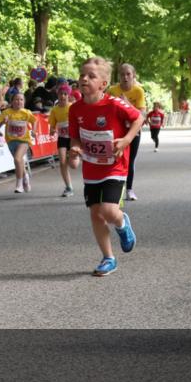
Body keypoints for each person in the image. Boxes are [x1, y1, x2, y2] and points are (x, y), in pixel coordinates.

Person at [66, 57, 143, 277]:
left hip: (115, 166)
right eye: (82, 74)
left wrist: (127, 140)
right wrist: (75, 151)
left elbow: (138, 118)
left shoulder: (114, 104)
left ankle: (122, 223)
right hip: (91, 169)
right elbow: (75, 138)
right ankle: (108, 258)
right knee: (95, 214)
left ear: (103, 83)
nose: (84, 78)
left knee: (108, 210)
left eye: (91, 76)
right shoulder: (75, 110)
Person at [106, 63, 147, 201]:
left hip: (133, 130)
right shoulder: (112, 90)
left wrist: (127, 104)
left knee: (129, 161)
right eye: (122, 74)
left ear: (133, 76)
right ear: (119, 76)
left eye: (128, 74)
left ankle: (129, 189)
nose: (125, 77)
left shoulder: (138, 91)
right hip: (117, 130)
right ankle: (114, 190)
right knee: (114, 160)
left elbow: (141, 115)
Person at [0, 92, 38, 194]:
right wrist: (2, 122)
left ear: (24, 102)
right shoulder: (7, 112)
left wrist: (34, 131)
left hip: (24, 140)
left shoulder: (26, 112)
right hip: (11, 141)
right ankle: (25, 177)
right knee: (18, 162)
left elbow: (35, 121)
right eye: (16, 99)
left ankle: (19, 184)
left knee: (17, 159)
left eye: (21, 100)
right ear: (12, 102)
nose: (19, 102)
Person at [49, 84, 74, 197]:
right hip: (62, 138)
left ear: (68, 95)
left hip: (73, 139)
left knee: (73, 165)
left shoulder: (72, 107)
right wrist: (52, 130)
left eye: (65, 94)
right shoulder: (54, 110)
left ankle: (73, 157)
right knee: (62, 161)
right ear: (57, 95)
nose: (62, 96)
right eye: (60, 94)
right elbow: (52, 125)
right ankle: (68, 187)